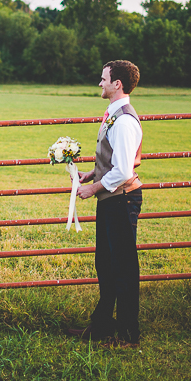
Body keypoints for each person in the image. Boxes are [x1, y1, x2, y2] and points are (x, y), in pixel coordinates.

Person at [68, 60, 143, 348]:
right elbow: (114, 162)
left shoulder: (123, 121)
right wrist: (93, 172)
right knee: (107, 264)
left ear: (117, 84)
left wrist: (93, 188)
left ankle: (127, 334)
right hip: (113, 199)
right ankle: (102, 325)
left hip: (121, 200)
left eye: (103, 79)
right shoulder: (114, 114)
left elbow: (124, 171)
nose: (100, 83)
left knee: (122, 268)